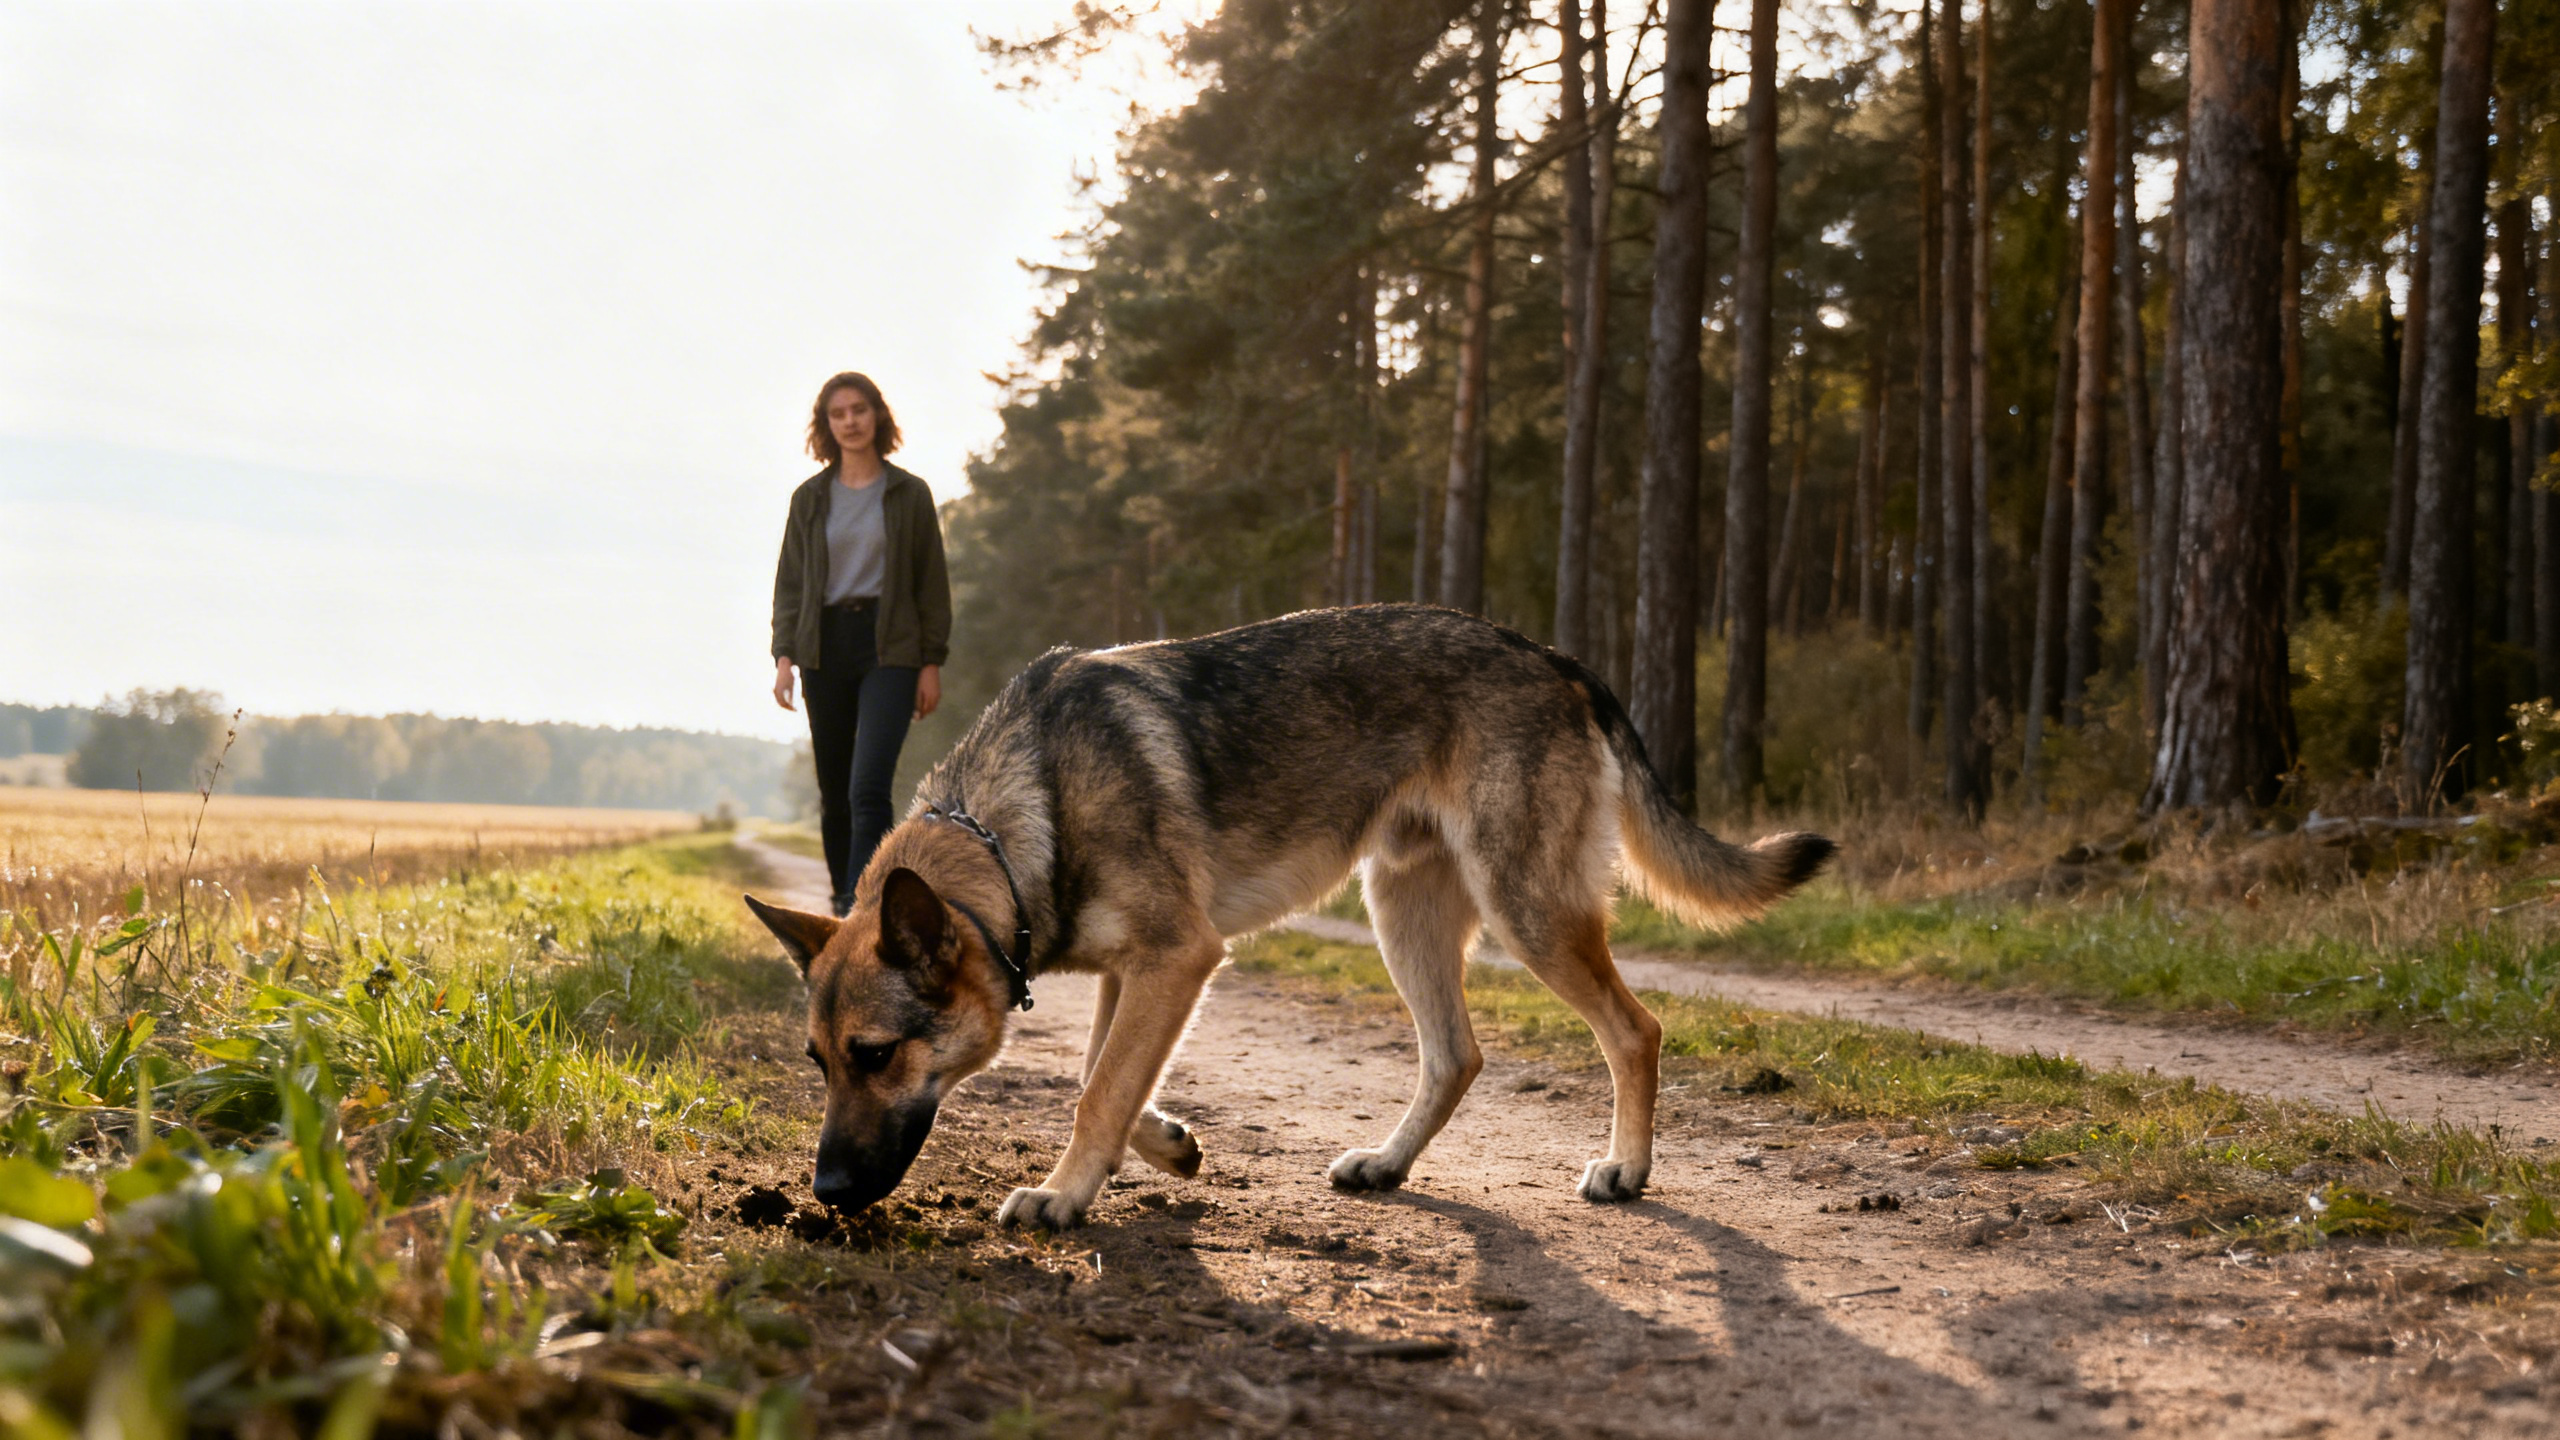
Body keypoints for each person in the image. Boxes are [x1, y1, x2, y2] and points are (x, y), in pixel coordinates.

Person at [770, 372, 951, 916]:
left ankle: (862, 903)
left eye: (859, 410)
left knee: (867, 786)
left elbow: (931, 584)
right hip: (824, 648)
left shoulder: (909, 494)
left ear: (877, 416)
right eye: (838, 413)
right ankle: (839, 896)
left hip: (890, 647)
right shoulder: (810, 499)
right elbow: (791, 584)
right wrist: (784, 659)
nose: (849, 421)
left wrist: (931, 662)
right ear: (826, 425)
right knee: (834, 789)